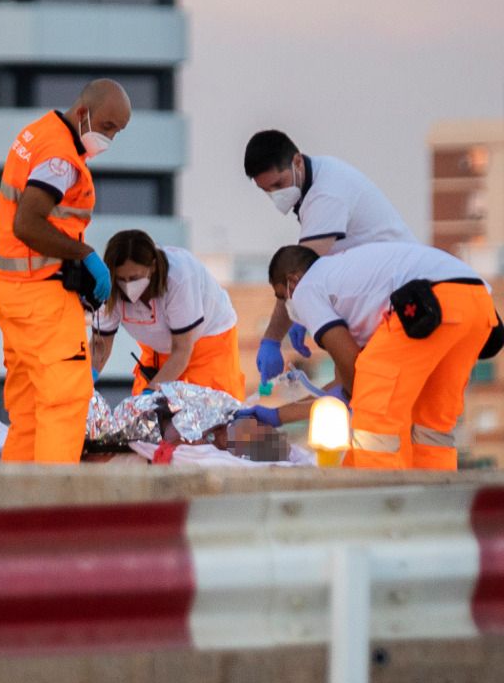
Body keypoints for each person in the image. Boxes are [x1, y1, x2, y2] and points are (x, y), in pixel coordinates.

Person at [258, 242, 501, 469]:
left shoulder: (306, 287)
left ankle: (381, 500)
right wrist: (279, 414)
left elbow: (352, 366)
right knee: (429, 423)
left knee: (375, 417)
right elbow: (349, 377)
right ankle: (432, 498)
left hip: (430, 303)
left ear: (293, 279)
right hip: (477, 305)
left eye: (282, 296)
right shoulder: (351, 283)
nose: (289, 306)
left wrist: (357, 398)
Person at [0, 79, 132, 464]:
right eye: (107, 127)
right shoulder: (60, 159)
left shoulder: (37, 133)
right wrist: (85, 254)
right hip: (43, 299)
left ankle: (16, 513)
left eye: (117, 132)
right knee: (65, 404)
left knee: (28, 413)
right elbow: (28, 223)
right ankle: (52, 508)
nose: (110, 138)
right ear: (83, 113)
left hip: (12, 292)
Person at [244, 130, 415, 381]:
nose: (275, 195)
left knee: (366, 384)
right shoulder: (318, 180)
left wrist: (272, 337)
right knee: (357, 384)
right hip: (379, 296)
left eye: (278, 184)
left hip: (397, 296)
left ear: (298, 162)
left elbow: (298, 274)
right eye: (266, 190)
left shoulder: (326, 194)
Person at [89, 229, 244, 399]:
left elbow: (181, 350)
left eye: (134, 278)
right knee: (147, 418)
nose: (127, 285)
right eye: (121, 279)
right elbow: (99, 343)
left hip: (207, 345)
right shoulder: (108, 285)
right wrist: (87, 378)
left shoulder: (180, 278)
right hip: (158, 351)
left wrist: (151, 393)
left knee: (210, 413)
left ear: (153, 267)